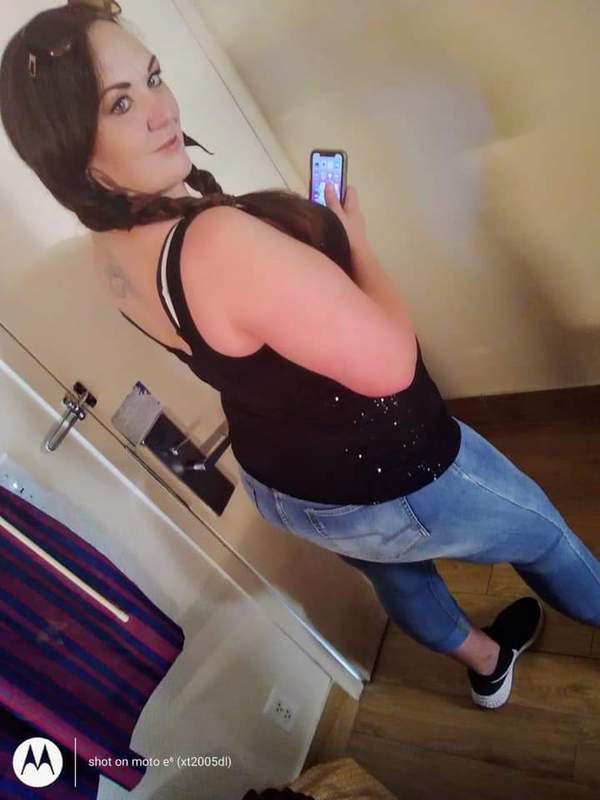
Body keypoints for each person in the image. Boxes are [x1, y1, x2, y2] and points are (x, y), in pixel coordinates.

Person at [2, 2, 600, 712]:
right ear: (73, 149)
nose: (163, 111)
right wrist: (357, 244)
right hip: (393, 471)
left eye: (154, 78)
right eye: (121, 103)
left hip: (286, 486)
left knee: (397, 575)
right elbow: (391, 365)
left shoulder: (106, 249)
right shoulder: (216, 243)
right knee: (543, 535)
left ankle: (486, 662)